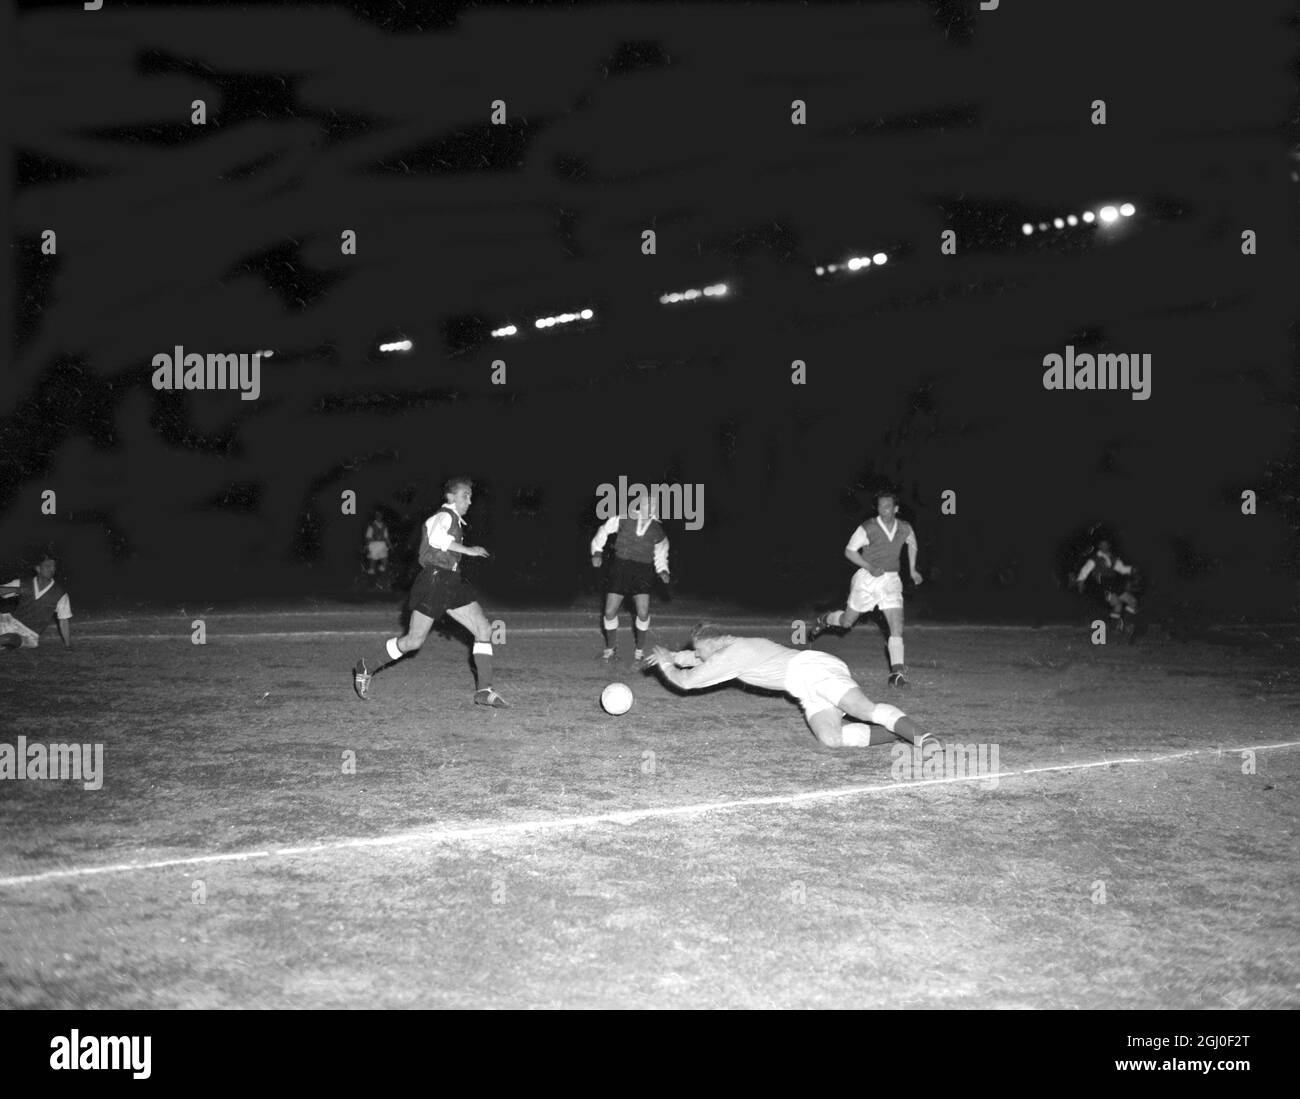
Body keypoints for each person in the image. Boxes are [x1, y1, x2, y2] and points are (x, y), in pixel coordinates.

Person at [642, 624, 939, 750]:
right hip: (803, 687)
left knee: (861, 709)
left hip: (814, 670)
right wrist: (673, 656)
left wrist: (668, 665)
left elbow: (685, 682)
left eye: (702, 649)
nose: (699, 655)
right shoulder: (727, 646)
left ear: (716, 642)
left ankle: (924, 738)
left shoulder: (732, 654)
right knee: (831, 739)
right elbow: (697, 657)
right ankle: (899, 733)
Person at [352, 477, 508, 707]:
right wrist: (469, 550)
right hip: (435, 580)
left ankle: (484, 690)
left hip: (451, 581)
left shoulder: (454, 520)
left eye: (470, 496)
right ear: (450, 497)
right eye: (465, 495)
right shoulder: (443, 516)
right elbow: (436, 540)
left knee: (483, 628)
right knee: (413, 641)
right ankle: (367, 666)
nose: (469, 501)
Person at [810, 491, 921, 686]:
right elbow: (849, 551)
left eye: (887, 507)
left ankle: (896, 674)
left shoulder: (904, 527)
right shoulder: (868, 527)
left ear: (896, 509)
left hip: (891, 581)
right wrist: (869, 567)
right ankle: (825, 619)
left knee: (897, 627)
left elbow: (912, 543)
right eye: (880, 506)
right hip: (867, 581)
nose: (883, 510)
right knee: (846, 622)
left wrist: (912, 570)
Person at [590, 495, 670, 662]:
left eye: (653, 505)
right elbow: (603, 531)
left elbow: (661, 552)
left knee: (643, 612)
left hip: (642, 571)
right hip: (621, 568)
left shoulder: (657, 529)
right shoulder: (624, 518)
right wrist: (597, 551)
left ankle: (639, 650)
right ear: (640, 505)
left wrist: (663, 570)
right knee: (609, 611)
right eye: (647, 504)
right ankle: (611, 648)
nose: (650, 507)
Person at [0, 553, 73, 651]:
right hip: (9, 623)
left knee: (9, 638)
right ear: (38, 569)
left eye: (54, 567)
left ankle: (4, 644)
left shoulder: (60, 593)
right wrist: (17, 590)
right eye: (48, 566)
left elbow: (63, 621)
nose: (52, 569)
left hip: (29, 634)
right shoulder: (23, 583)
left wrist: (68, 645)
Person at [1074, 537, 1141, 638]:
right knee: (1123, 603)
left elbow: (1122, 569)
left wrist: (1132, 569)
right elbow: (1085, 570)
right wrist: (1080, 582)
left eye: (1106, 544)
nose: (1104, 546)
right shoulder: (1095, 559)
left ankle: (1120, 627)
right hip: (1104, 586)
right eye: (1102, 544)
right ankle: (1121, 626)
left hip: (1114, 584)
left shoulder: (1113, 558)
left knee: (1123, 604)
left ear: (1109, 545)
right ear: (1099, 546)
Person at [361, 508, 392, 588]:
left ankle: (379, 578)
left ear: (382, 516)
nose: (379, 516)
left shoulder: (384, 526)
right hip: (373, 545)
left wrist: (390, 545)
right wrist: (367, 546)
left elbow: (386, 537)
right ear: (375, 516)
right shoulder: (371, 525)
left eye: (380, 515)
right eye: (377, 515)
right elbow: (368, 537)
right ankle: (370, 582)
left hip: (382, 545)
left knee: (385, 562)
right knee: (372, 564)